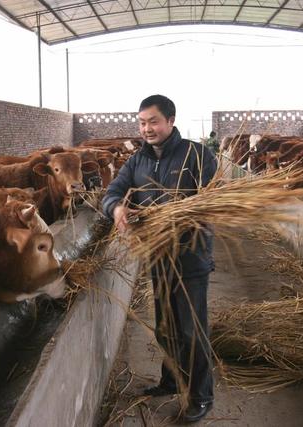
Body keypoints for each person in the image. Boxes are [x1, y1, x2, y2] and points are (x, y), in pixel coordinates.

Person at [102, 95, 217, 423]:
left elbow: (210, 202)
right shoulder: (137, 160)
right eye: (141, 122)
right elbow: (112, 192)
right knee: (166, 327)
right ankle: (171, 381)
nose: (146, 128)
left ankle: (201, 396)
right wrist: (118, 208)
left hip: (191, 257)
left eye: (152, 121)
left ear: (170, 120)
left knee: (192, 330)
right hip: (158, 257)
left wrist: (174, 217)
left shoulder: (197, 154)